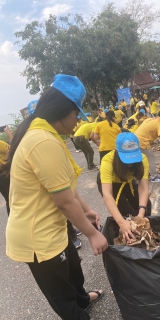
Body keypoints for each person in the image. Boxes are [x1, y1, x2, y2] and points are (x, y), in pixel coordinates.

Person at [2, 74, 108, 320]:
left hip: (53, 227)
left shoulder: (48, 135)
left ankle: (83, 299)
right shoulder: (42, 141)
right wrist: (92, 234)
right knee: (62, 296)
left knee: (73, 270)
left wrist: (86, 210)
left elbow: (63, 187)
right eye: (76, 115)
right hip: (38, 237)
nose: (77, 122)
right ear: (62, 110)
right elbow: (63, 201)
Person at [97, 132, 151, 243]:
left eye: (133, 157)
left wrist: (140, 215)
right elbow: (107, 194)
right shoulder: (108, 161)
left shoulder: (143, 159)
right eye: (126, 158)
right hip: (111, 184)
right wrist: (121, 222)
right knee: (127, 214)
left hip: (128, 182)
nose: (130, 163)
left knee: (147, 207)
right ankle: (126, 236)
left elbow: (143, 188)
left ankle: (141, 235)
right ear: (117, 152)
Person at [135, 110, 160, 182]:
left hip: (135, 139)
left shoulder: (150, 119)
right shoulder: (159, 124)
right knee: (150, 159)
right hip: (142, 142)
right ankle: (154, 177)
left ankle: (142, 174)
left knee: (140, 159)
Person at [0, 125, 13, 215]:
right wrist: (9, 133)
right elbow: (14, 148)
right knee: (12, 199)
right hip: (4, 174)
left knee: (8, 199)